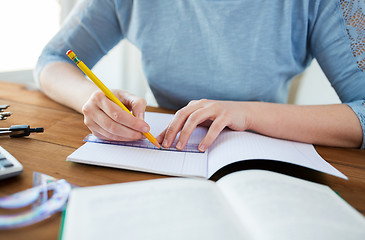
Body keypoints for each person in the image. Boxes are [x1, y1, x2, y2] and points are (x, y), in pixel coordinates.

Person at [35, 0, 365, 152]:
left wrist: (248, 113)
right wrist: (92, 102)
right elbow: (52, 60)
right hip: (163, 165)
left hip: (265, 167)